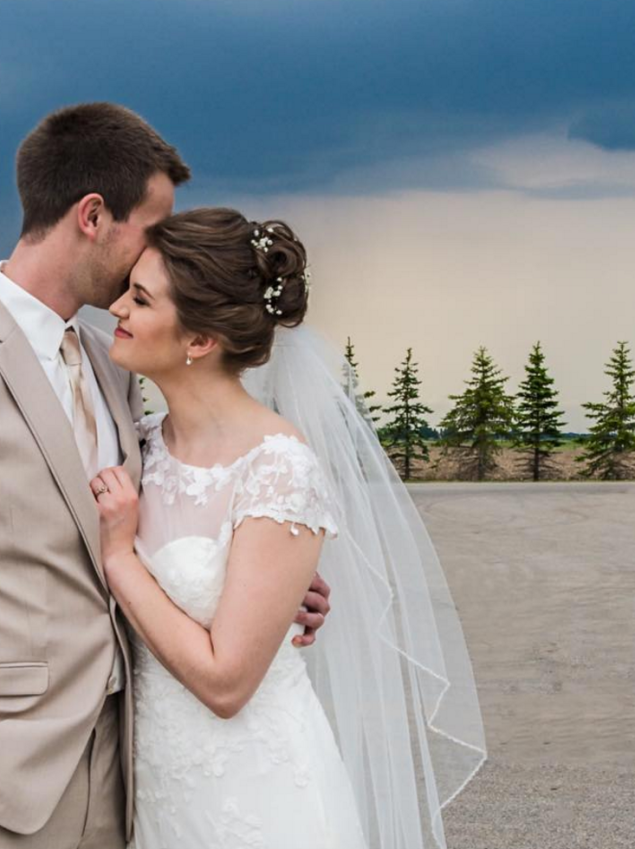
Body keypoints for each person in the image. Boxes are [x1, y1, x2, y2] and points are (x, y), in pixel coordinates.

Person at [0, 104, 334, 849]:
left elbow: (164, 519)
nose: (155, 254)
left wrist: (261, 583)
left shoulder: (113, 366)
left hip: (130, 785)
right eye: (151, 229)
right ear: (93, 215)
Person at [94, 207, 488, 848]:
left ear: (199, 340)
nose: (116, 307)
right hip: (157, 791)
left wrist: (120, 559)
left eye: (139, 297)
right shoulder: (138, 448)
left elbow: (227, 683)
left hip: (257, 794)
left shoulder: (279, 468)